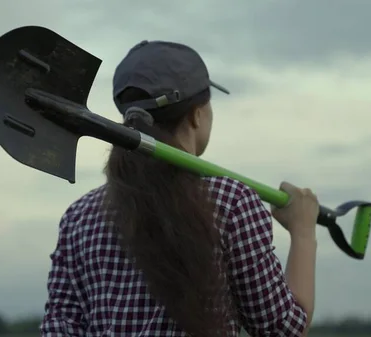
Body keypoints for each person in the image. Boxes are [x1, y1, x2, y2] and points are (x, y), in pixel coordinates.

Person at [39, 40, 320, 337]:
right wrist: (303, 232)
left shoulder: (79, 217)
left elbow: (60, 328)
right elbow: (282, 329)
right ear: (197, 114)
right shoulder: (233, 203)